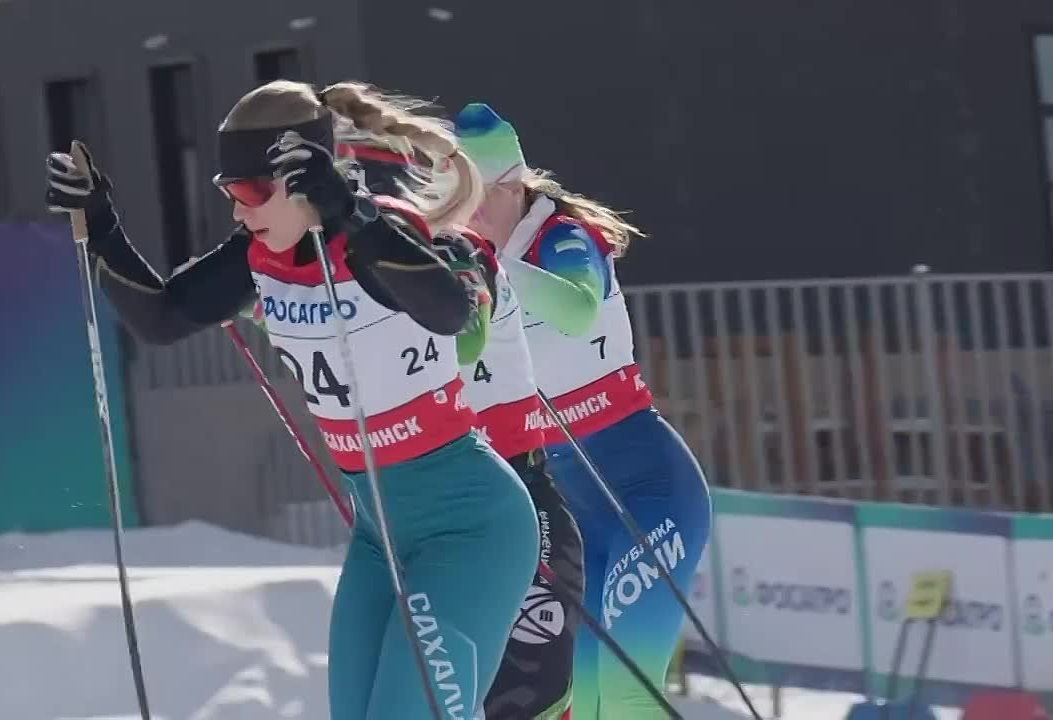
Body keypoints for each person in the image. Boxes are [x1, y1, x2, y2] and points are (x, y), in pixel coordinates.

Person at [44, 80, 540, 720]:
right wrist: (102, 227)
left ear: (303, 181)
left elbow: (448, 312)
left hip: (470, 528)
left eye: (252, 192)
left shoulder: (378, 234)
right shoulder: (259, 256)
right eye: (229, 192)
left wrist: (350, 215)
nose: (238, 211)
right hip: (379, 538)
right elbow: (162, 318)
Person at [455, 102, 713, 720]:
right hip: (574, 513)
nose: (464, 219)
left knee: (627, 696)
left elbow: (575, 309)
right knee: (579, 700)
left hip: (647, 495)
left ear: (511, 187)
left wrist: (488, 266)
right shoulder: (469, 269)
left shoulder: (562, 237)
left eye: (474, 202)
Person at [341, 141, 584, 720]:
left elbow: (466, 337)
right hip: (426, 522)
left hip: (516, 510)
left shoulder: (462, 255)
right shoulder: (376, 280)